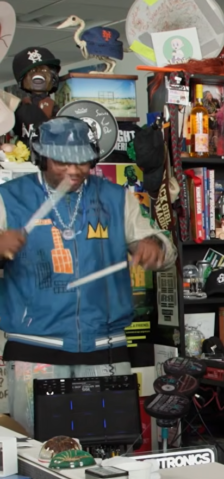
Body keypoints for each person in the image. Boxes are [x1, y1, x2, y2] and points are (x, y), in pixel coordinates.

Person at [0, 117, 176, 436]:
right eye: (62, 161)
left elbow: (163, 249)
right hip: (34, 349)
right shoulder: (8, 197)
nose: (74, 170)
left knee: (110, 453)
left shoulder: (116, 197)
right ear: (42, 158)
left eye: (82, 161)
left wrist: (154, 248)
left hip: (106, 347)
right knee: (40, 456)